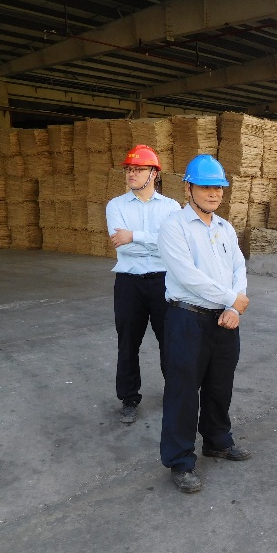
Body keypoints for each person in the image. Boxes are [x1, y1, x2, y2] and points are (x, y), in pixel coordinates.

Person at [157, 155, 251, 494]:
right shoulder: (174, 226)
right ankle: (180, 460)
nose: (213, 193)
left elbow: (239, 267)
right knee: (183, 391)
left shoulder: (225, 227)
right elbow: (187, 276)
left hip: (224, 319)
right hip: (188, 318)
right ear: (188, 188)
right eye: (205, 187)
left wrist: (234, 306)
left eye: (218, 188)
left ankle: (217, 440)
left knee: (219, 385)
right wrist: (231, 298)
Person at [105, 145, 181, 424]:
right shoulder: (116, 205)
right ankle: (129, 398)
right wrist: (153, 241)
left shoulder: (171, 207)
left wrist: (134, 236)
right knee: (128, 342)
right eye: (129, 169)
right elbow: (122, 246)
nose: (131, 174)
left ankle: (175, 392)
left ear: (154, 173)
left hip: (164, 282)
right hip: (129, 282)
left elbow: (173, 245)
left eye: (138, 169)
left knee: (170, 341)